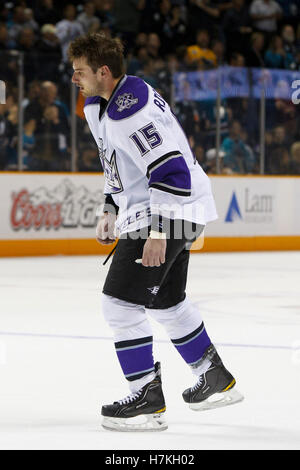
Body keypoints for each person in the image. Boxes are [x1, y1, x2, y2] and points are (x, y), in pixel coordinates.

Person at [68, 32, 243, 432]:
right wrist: (111, 207)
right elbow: (115, 163)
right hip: (170, 209)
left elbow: (172, 172)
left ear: (104, 72)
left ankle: (146, 398)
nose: (74, 78)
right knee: (166, 302)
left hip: (168, 210)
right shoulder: (98, 104)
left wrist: (159, 231)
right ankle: (214, 378)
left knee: (119, 304)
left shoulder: (131, 112)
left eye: (80, 72)